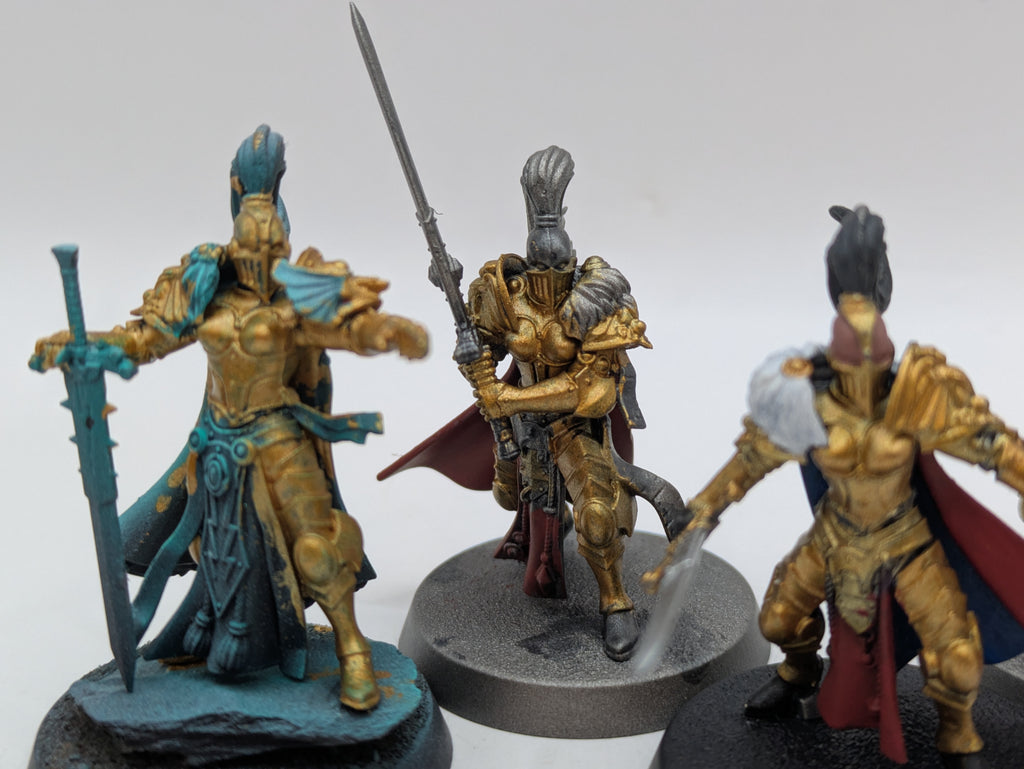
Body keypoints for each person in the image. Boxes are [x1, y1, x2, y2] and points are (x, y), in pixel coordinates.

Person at [33, 125, 428, 710]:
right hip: (216, 446)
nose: (262, 265)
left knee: (317, 548)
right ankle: (227, 636)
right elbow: (145, 340)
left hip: (278, 438)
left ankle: (352, 651)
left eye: (273, 254)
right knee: (210, 553)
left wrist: (388, 331)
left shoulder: (295, 302)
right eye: (252, 254)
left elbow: (344, 327)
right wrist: (83, 347)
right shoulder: (207, 293)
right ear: (236, 247)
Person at [647, 205, 1024, 767]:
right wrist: (700, 516)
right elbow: (750, 462)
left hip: (905, 542)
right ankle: (799, 674)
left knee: (958, 659)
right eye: (853, 366)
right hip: (835, 535)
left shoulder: (919, 393)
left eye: (876, 363)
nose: (865, 378)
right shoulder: (809, 399)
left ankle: (957, 732)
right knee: (779, 620)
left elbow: (993, 445)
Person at [381, 146, 685, 661]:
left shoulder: (597, 296)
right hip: (520, 428)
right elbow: (482, 346)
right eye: (541, 270)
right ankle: (547, 536)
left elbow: (593, 392)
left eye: (557, 270)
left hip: (575, 427)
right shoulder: (507, 294)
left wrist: (508, 396)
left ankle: (614, 601)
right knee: (508, 496)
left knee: (596, 514)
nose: (548, 282)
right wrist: (471, 344)